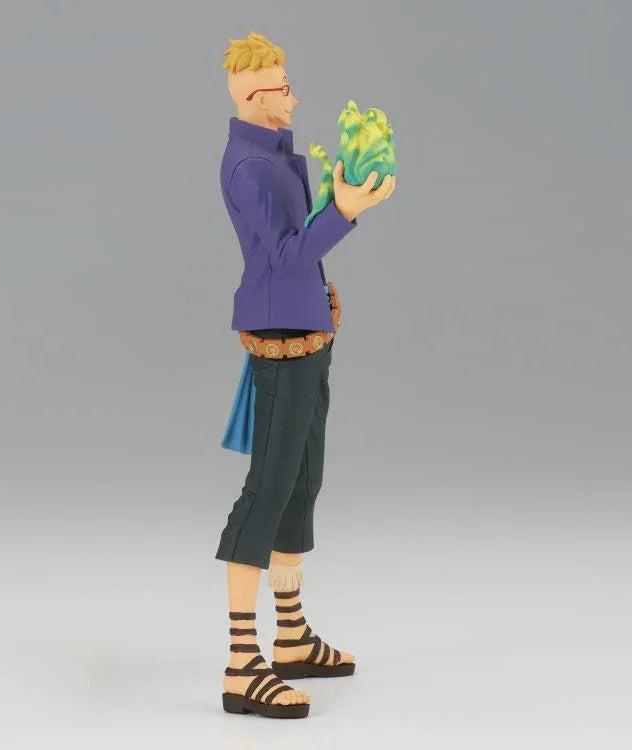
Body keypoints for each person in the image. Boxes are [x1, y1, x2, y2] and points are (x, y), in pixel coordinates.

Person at [216, 31, 396, 719]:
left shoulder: (274, 154)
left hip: (307, 331)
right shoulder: (249, 168)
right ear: (256, 98)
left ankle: (290, 636)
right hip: (281, 340)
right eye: (284, 89)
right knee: (266, 491)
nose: (293, 98)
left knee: (300, 483)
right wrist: (346, 208)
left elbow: (299, 251)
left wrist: (338, 198)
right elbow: (288, 255)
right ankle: (242, 663)